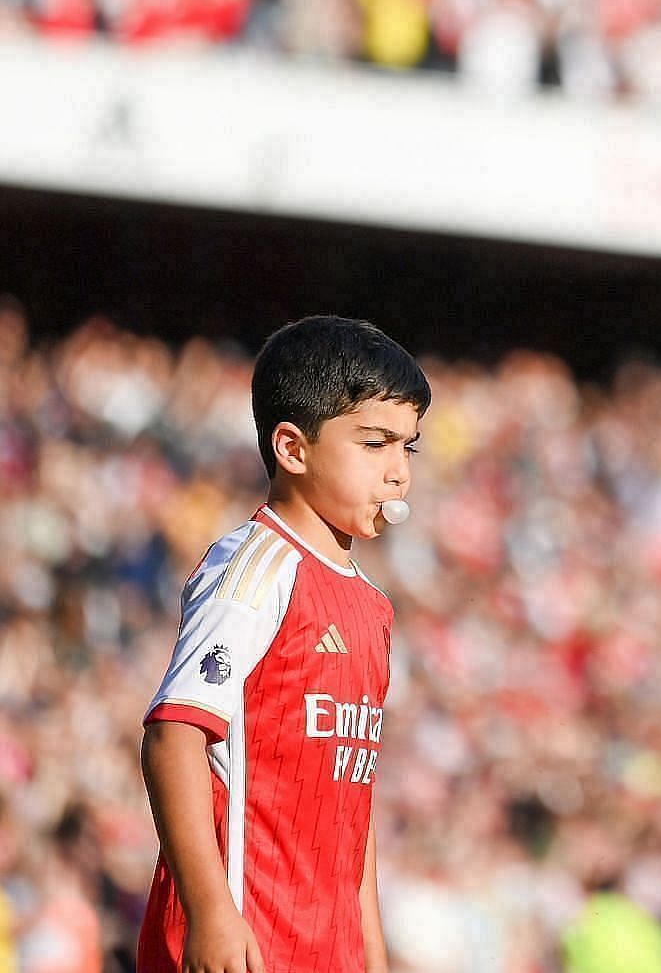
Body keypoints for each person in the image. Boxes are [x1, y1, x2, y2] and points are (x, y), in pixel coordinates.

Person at [137, 316, 428, 973]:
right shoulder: (256, 567)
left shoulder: (372, 606)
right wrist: (211, 909)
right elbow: (174, 734)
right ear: (293, 449)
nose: (398, 472)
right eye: (375, 443)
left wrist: (369, 948)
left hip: (326, 948)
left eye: (409, 447)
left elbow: (351, 803)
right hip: (245, 937)